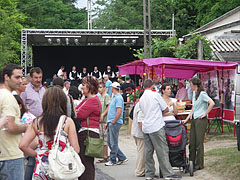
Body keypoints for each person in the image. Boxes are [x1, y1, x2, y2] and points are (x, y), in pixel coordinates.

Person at [19, 86, 80, 179]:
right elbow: (76, 149)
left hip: (42, 167)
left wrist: (38, 154)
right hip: (62, 168)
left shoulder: (37, 122)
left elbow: (22, 145)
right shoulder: (67, 122)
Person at [139, 79, 181, 180]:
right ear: (152, 86)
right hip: (156, 125)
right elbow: (165, 109)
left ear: (144, 87)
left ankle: (149, 174)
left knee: (148, 151)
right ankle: (167, 174)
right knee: (162, 150)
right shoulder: (155, 95)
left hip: (146, 126)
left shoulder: (142, 98)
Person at [0, 63, 28, 180]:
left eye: (21, 77)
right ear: (7, 77)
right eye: (17, 77)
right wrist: (26, 127)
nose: (20, 81)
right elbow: (10, 127)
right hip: (11, 155)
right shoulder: (8, 98)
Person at [182, 77, 215, 171]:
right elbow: (193, 108)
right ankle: (192, 162)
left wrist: (205, 114)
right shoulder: (194, 93)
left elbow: (211, 103)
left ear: (194, 84)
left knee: (199, 142)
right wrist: (187, 119)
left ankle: (199, 164)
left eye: (190, 84)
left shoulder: (202, 94)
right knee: (192, 142)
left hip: (200, 120)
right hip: (194, 119)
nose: (190, 86)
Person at [20, 67, 45, 180]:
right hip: (31, 127)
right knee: (31, 158)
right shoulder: (25, 90)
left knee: (40, 155)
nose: (38, 80)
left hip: (43, 126)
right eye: (36, 77)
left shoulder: (44, 90)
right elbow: (21, 107)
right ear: (31, 78)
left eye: (40, 77)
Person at [76, 76, 101, 180]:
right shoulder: (89, 99)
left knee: (86, 163)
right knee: (86, 162)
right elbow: (76, 110)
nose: (82, 87)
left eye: (84, 85)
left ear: (89, 86)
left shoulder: (92, 101)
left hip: (88, 133)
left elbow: (78, 114)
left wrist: (76, 110)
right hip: (88, 132)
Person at [105, 82, 128, 166]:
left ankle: (113, 159)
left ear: (113, 88)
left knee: (113, 142)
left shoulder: (118, 98)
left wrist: (114, 121)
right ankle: (121, 157)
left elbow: (118, 110)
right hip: (111, 121)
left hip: (115, 122)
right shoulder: (114, 97)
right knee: (110, 141)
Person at [131, 91, 145, 177]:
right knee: (142, 153)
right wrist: (145, 132)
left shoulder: (138, 104)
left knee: (141, 151)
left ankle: (142, 169)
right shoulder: (141, 106)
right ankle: (140, 171)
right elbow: (140, 122)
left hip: (136, 132)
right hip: (140, 133)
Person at [97, 82, 111, 163]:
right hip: (100, 121)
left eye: (101, 87)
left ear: (104, 88)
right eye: (99, 87)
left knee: (104, 139)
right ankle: (103, 155)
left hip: (104, 120)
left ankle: (105, 155)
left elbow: (108, 106)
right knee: (101, 138)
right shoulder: (100, 97)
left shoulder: (106, 96)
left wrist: (103, 114)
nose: (99, 89)